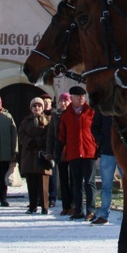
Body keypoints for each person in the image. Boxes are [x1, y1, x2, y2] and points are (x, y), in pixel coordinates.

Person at [58, 86, 97, 221]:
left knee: (90, 182)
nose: (81, 98)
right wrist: (60, 151)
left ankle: (91, 210)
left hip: (89, 152)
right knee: (76, 183)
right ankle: (78, 210)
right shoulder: (66, 115)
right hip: (74, 153)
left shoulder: (91, 112)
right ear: (72, 97)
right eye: (78, 96)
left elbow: (97, 130)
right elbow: (62, 135)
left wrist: (97, 146)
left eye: (83, 96)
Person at [18, 97, 52, 215]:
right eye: (34, 106)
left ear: (42, 108)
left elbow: (49, 135)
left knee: (43, 184)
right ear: (31, 108)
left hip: (42, 155)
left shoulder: (48, 120)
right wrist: (29, 141)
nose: (37, 108)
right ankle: (32, 206)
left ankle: (44, 206)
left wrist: (38, 141)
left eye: (39, 106)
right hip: (29, 155)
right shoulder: (25, 121)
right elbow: (21, 134)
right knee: (31, 183)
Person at [91, 112, 122, 225]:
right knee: (106, 187)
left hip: (123, 151)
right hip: (107, 151)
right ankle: (104, 215)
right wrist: (102, 141)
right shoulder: (103, 109)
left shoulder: (121, 105)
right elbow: (94, 127)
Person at [46, 92, 73, 216]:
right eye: (61, 101)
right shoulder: (55, 116)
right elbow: (51, 136)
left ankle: (73, 205)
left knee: (73, 178)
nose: (63, 103)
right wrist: (50, 151)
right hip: (60, 149)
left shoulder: (73, 114)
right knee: (62, 178)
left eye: (65, 101)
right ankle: (65, 205)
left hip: (72, 148)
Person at [39, 93, 56, 208]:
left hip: (52, 148)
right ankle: (41, 197)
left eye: (48, 101)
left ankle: (52, 197)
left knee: (52, 175)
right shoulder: (38, 116)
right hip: (41, 148)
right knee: (41, 174)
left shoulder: (54, 116)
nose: (46, 103)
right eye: (44, 102)